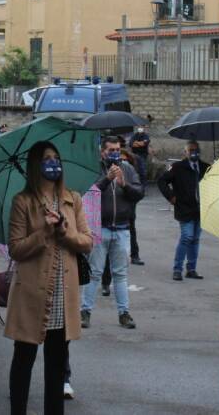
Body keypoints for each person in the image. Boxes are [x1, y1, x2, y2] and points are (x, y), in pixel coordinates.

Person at [6, 140, 93, 415]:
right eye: (46, 158)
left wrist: (65, 233)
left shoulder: (72, 199)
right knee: (24, 359)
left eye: (56, 157)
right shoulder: (23, 201)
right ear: (35, 164)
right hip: (32, 293)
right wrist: (43, 231)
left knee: (56, 364)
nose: (53, 162)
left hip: (63, 295)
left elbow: (87, 241)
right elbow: (16, 249)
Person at [81, 136, 143, 330]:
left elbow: (139, 194)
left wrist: (124, 184)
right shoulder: (95, 169)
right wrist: (107, 179)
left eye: (117, 149)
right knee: (95, 273)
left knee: (120, 274)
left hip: (122, 229)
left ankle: (124, 313)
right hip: (100, 229)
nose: (115, 153)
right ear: (103, 152)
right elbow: (88, 194)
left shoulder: (128, 169)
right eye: (111, 150)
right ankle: (85, 312)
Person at [158, 140, 209, 281]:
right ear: (185, 152)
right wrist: (171, 197)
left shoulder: (205, 167)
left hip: (200, 209)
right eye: (191, 150)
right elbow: (161, 181)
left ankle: (191, 269)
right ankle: (177, 269)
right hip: (184, 208)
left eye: (196, 150)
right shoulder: (178, 167)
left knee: (196, 239)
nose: (194, 153)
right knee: (187, 237)